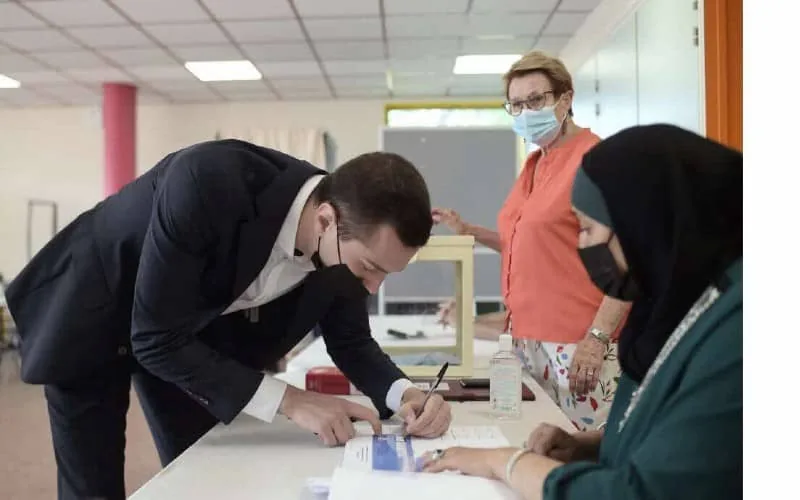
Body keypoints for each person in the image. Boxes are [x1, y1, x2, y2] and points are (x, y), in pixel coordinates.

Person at [4, 139, 453, 500]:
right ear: (324, 219)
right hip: (95, 315)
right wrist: (293, 402)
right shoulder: (211, 181)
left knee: (204, 467)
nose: (371, 287)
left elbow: (351, 341)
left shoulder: (344, 242)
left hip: (187, 337)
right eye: (370, 267)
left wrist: (405, 394)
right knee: (92, 486)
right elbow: (155, 336)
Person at [421, 124, 743, 500]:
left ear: (642, 223)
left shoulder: (738, 332)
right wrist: (592, 447)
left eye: (587, 229)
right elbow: (674, 434)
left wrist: (505, 462)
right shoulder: (679, 308)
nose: (581, 245)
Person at [433, 50, 630, 430]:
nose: (526, 112)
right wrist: (471, 232)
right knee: (542, 445)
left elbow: (628, 259)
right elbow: (530, 244)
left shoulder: (596, 160)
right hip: (526, 343)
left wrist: (597, 339)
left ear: (566, 99)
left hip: (579, 347)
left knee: (587, 453)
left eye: (536, 100)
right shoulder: (535, 163)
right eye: (516, 104)